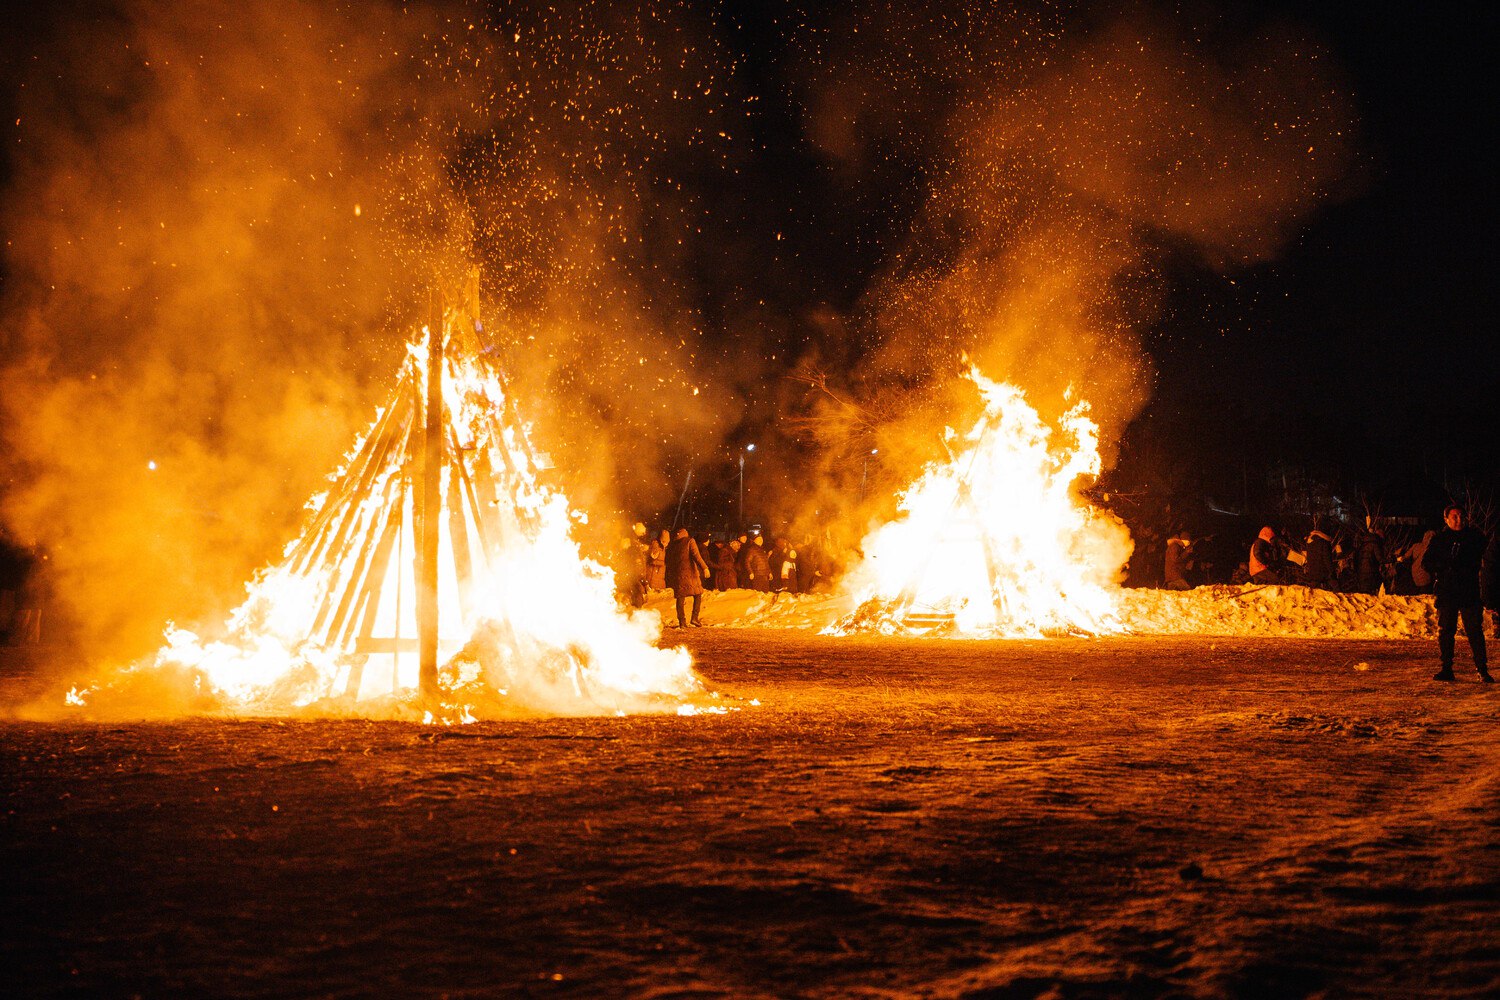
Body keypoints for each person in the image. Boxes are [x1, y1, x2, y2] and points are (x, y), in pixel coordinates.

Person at [1423, 504, 1490, 682]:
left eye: (1461, 516)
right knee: (1446, 631)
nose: (1459, 520)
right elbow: (1426, 563)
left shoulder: (1475, 537)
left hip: (1469, 591)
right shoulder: (1440, 539)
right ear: (1446, 519)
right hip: (1447, 591)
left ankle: (1482, 669)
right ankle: (1446, 668)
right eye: (1454, 517)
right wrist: (1444, 566)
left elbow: (1487, 558)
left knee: (1474, 631)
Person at [665, 527, 711, 627]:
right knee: (697, 595)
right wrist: (705, 567)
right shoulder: (690, 541)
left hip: (678, 574)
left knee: (680, 598)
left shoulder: (673, 544)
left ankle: (682, 622)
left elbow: (669, 560)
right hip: (691, 574)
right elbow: (696, 556)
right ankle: (694, 618)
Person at [1301, 520, 1335, 590]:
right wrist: (1331, 571)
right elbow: (1327, 558)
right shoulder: (1324, 543)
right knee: (1336, 589)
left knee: (1313, 590)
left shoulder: (1309, 542)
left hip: (1313, 572)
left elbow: (1309, 557)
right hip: (1325, 572)